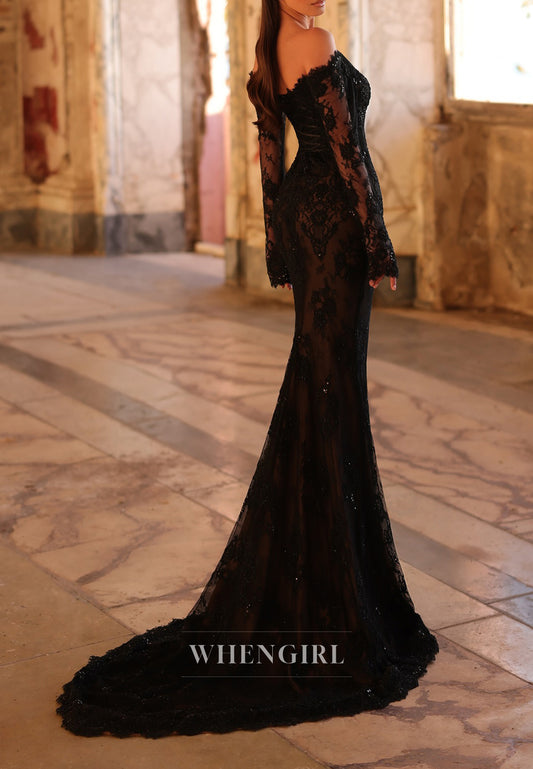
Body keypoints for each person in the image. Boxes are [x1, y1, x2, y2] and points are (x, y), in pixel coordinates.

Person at [56, 0, 438, 739]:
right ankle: (336, 585)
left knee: (318, 382)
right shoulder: (314, 43)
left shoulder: (266, 51)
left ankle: (322, 565)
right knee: (332, 387)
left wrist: (274, 242)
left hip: (302, 215)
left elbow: (269, 153)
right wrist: (379, 242)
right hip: (334, 218)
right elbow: (349, 152)